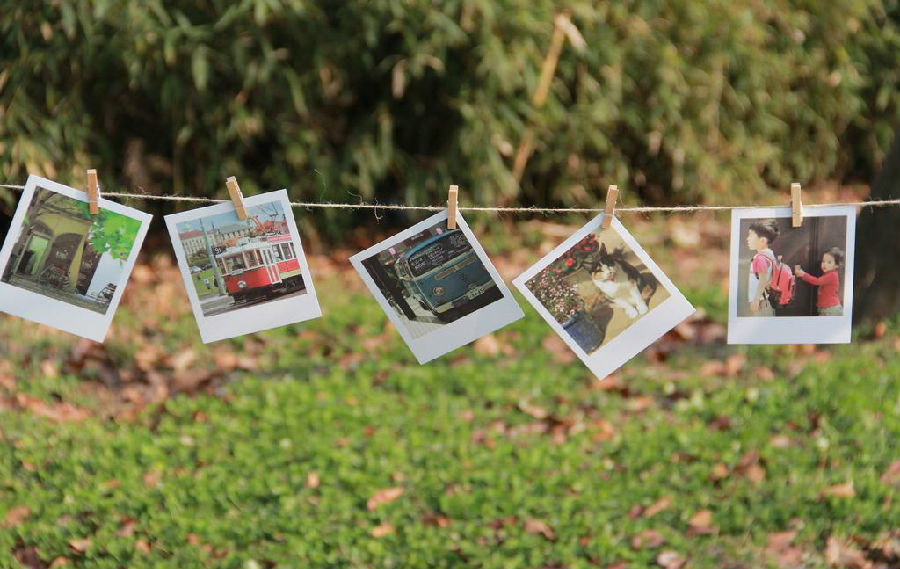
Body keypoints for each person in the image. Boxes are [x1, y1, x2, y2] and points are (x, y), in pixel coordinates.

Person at [795, 247, 843, 316]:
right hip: (826, 308)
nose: (825, 264)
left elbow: (817, 281)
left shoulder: (832, 275)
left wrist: (803, 275)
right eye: (823, 261)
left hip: (831, 309)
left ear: (836, 265)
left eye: (829, 262)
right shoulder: (828, 273)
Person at [745, 220, 780, 316]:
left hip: (761, 303)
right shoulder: (769, 254)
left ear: (762, 240)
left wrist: (755, 300)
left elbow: (762, 280)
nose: (747, 239)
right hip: (767, 302)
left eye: (751, 235)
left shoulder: (760, 258)